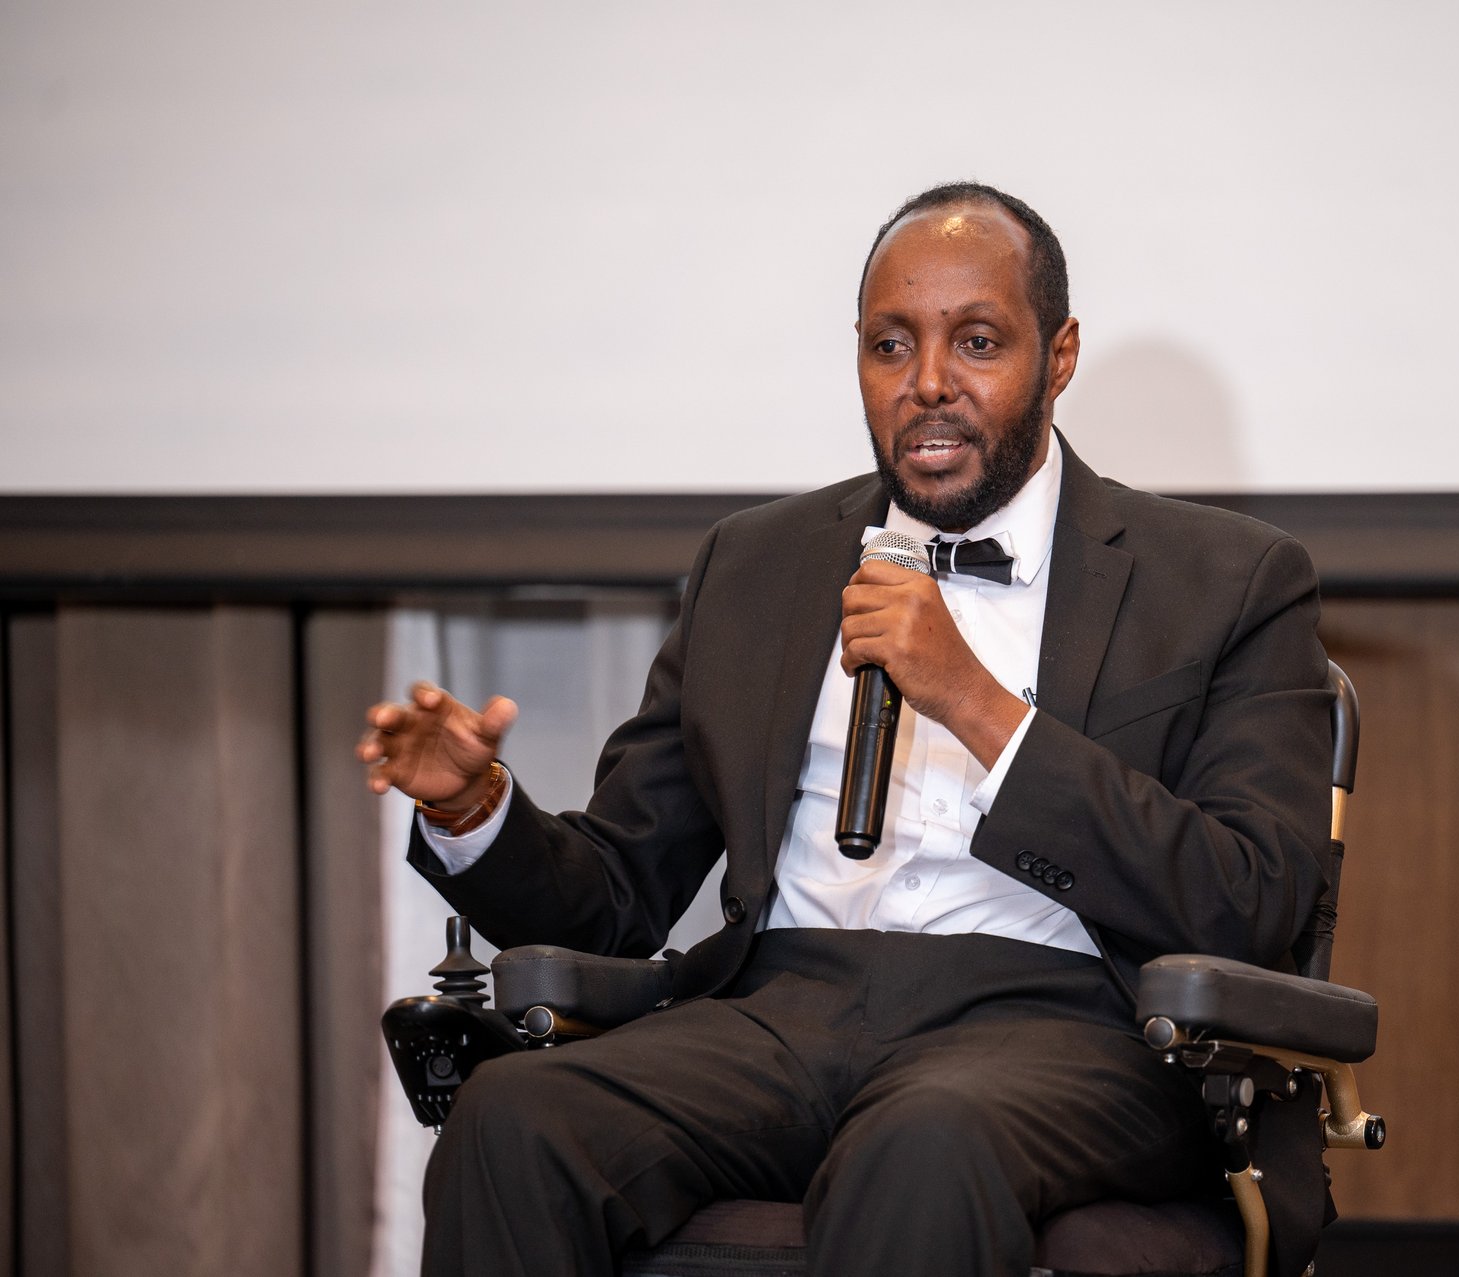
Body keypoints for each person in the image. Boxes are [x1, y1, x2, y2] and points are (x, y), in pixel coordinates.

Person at [360, 182, 1335, 1277]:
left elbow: (1250, 895)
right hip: (779, 1011)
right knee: (513, 1115)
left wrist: (973, 700)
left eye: (977, 342)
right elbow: (619, 892)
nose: (929, 383)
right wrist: (474, 809)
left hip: (1068, 1026)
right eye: (890, 345)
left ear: (1059, 357)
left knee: (922, 1140)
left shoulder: (1226, 579)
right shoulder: (757, 565)